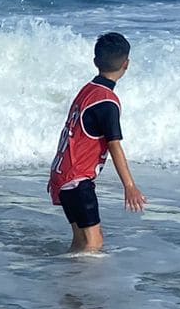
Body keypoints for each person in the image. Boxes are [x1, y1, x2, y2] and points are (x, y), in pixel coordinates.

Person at [46, 31, 147, 253]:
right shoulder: (106, 102)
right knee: (94, 243)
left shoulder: (87, 90)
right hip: (77, 179)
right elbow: (114, 145)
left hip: (63, 175)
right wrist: (130, 186)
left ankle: (66, 273)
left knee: (81, 241)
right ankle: (76, 276)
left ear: (95, 61)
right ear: (126, 64)